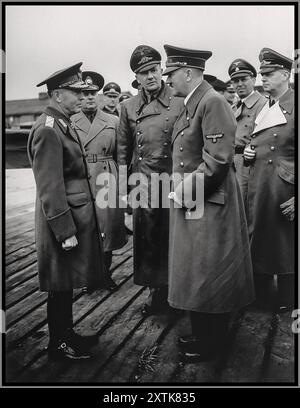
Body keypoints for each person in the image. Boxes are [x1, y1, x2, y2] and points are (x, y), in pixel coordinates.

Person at [163, 44, 254, 361]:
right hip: (196, 200)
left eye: (171, 74)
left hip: (208, 201)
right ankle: (202, 335)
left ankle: (214, 343)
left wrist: (180, 193)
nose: (168, 80)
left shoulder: (211, 102)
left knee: (210, 273)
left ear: (188, 73)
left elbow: (216, 160)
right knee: (198, 271)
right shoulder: (193, 103)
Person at [27, 63, 106, 360]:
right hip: (60, 220)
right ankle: (58, 343)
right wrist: (64, 231)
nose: (81, 96)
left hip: (71, 216)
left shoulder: (61, 122)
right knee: (60, 285)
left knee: (65, 283)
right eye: (76, 91)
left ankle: (66, 334)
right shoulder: (48, 129)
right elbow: (49, 185)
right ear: (59, 94)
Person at [117, 45, 183, 316]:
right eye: (143, 73)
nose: (150, 76)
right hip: (143, 185)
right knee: (149, 242)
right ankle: (158, 293)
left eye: (154, 70)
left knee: (177, 240)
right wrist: (123, 196)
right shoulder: (128, 107)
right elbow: (122, 154)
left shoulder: (180, 100)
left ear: (161, 70)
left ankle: (180, 294)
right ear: (137, 77)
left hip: (175, 183)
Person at [242, 48, 295, 311]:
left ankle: (289, 299)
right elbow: (261, 139)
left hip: (284, 187)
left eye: (269, 73)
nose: (263, 78)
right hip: (262, 184)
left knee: (286, 244)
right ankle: (263, 296)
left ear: (285, 74)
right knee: (262, 237)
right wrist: (250, 152)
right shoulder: (267, 106)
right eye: (262, 73)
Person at [72, 71, 127, 290]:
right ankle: (88, 277)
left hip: (107, 175)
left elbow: (121, 154)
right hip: (82, 175)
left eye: (93, 93)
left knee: (108, 228)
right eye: (84, 93)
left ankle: (105, 274)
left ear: (100, 96)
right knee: (86, 227)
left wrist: (122, 185)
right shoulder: (71, 121)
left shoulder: (114, 121)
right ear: (79, 96)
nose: (89, 97)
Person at [228, 58, 267, 204]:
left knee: (245, 207)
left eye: (243, 79)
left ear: (253, 79)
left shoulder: (263, 105)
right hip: (232, 164)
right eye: (235, 81)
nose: (239, 84)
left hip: (249, 166)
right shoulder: (234, 107)